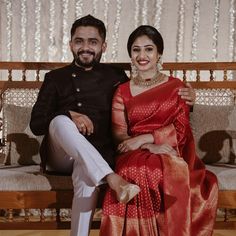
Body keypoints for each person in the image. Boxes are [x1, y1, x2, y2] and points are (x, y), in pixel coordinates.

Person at [30, 15, 195, 236]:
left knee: (87, 170)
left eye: (93, 42)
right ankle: (112, 178)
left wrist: (189, 100)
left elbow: (145, 99)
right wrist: (68, 113)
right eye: (79, 41)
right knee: (60, 122)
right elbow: (37, 124)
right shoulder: (55, 78)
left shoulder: (115, 76)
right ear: (71, 44)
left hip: (95, 155)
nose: (85, 47)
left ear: (103, 46)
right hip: (60, 154)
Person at [100, 25, 218, 236]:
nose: (142, 55)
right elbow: (120, 135)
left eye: (148, 49)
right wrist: (146, 145)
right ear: (130, 54)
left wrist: (150, 138)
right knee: (132, 171)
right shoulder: (122, 91)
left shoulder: (176, 87)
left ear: (159, 54)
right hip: (133, 151)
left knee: (156, 170)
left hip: (171, 148)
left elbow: (181, 131)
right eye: (136, 50)